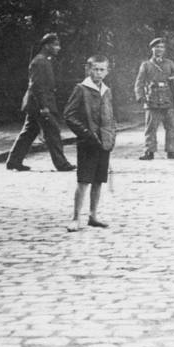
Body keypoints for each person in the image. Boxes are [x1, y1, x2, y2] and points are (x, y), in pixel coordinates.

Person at [6, 33, 75, 172]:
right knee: (53, 131)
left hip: (36, 103)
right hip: (39, 104)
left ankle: (13, 161)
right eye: (56, 45)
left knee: (29, 132)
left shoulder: (45, 60)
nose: (59, 48)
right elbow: (36, 86)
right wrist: (44, 106)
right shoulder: (39, 62)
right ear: (47, 46)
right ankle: (61, 164)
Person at [63, 55, 116, 232]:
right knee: (84, 180)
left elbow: (110, 116)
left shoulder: (106, 91)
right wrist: (85, 133)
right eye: (95, 69)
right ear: (88, 69)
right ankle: (76, 217)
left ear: (107, 71)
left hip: (104, 142)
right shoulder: (81, 89)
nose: (99, 73)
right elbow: (69, 115)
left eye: (102, 69)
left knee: (99, 180)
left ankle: (93, 216)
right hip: (88, 142)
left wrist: (111, 136)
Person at [134, 38, 174, 161]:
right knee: (151, 127)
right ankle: (149, 151)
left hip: (168, 99)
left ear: (164, 49)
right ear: (152, 49)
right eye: (157, 47)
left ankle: (172, 151)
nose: (159, 49)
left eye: (162, 47)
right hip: (152, 99)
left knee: (171, 126)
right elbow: (139, 82)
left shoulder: (169, 63)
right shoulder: (146, 65)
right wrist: (140, 96)